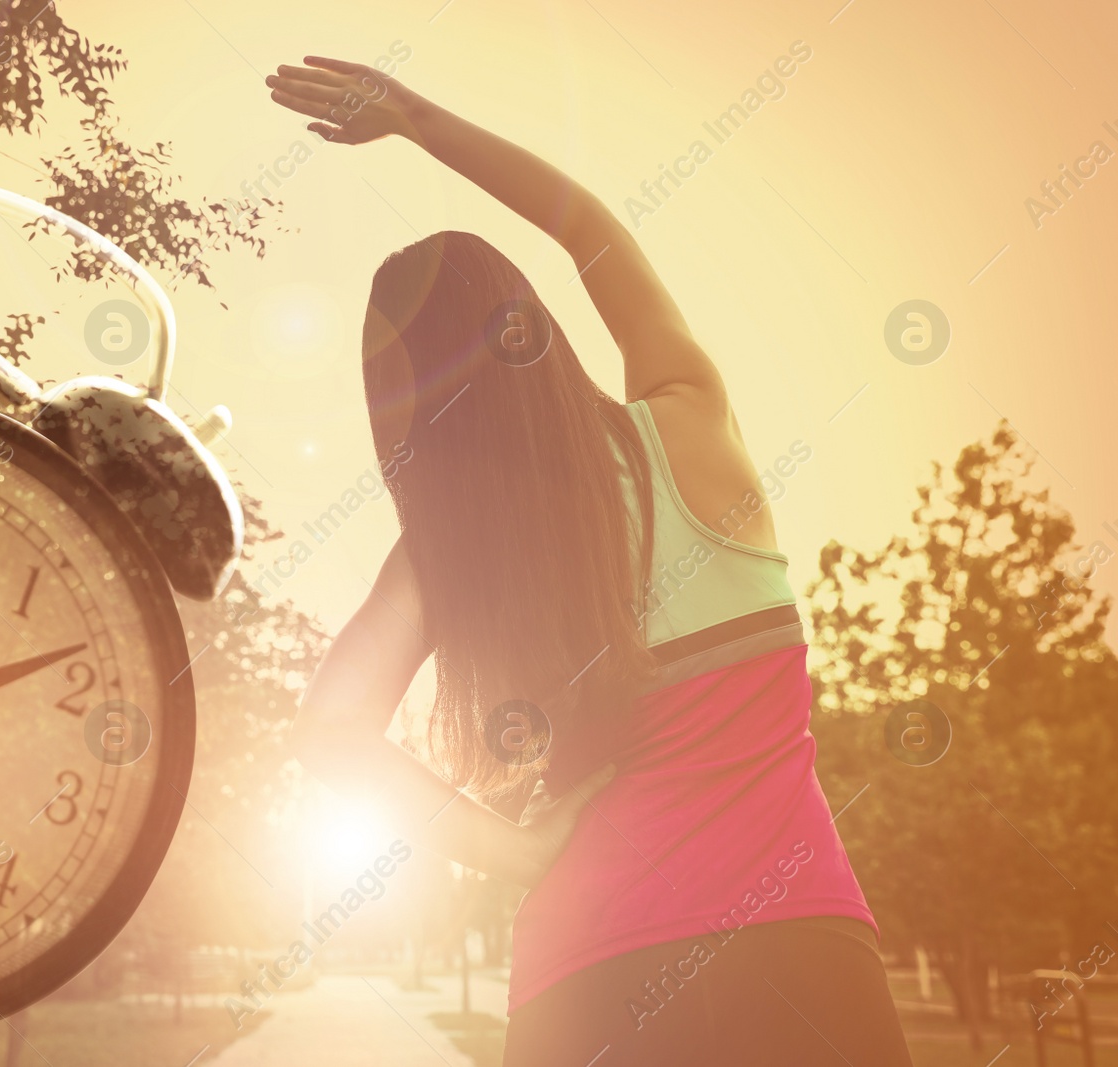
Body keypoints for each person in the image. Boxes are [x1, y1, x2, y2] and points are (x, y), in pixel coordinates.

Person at [270, 56, 913, 1065]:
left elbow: (329, 729)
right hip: (801, 954)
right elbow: (590, 229)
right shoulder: (691, 427)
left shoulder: (444, 559)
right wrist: (414, 117)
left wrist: (509, 845)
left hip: (591, 987)